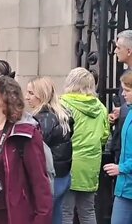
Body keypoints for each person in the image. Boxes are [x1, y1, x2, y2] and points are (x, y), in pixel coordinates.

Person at [0, 75, 53, 224]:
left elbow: (40, 183)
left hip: (13, 215)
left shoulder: (24, 134)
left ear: (5, 97)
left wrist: (41, 218)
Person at [60, 67, 110, 224]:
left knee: (65, 212)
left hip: (68, 164)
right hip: (90, 166)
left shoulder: (63, 104)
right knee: (88, 211)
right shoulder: (100, 108)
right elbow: (104, 136)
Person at [25, 76, 74, 224]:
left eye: (31, 93)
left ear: (41, 94)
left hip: (49, 176)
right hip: (63, 174)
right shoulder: (62, 115)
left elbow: (36, 151)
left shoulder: (42, 119)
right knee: (56, 215)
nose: (27, 97)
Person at [104, 71, 132, 224]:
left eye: (127, 90)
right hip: (124, 187)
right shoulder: (128, 112)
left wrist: (122, 168)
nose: (123, 95)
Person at [109, 30, 132, 162]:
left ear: (129, 51)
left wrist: (122, 110)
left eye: (118, 47)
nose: (115, 51)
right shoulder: (127, 72)